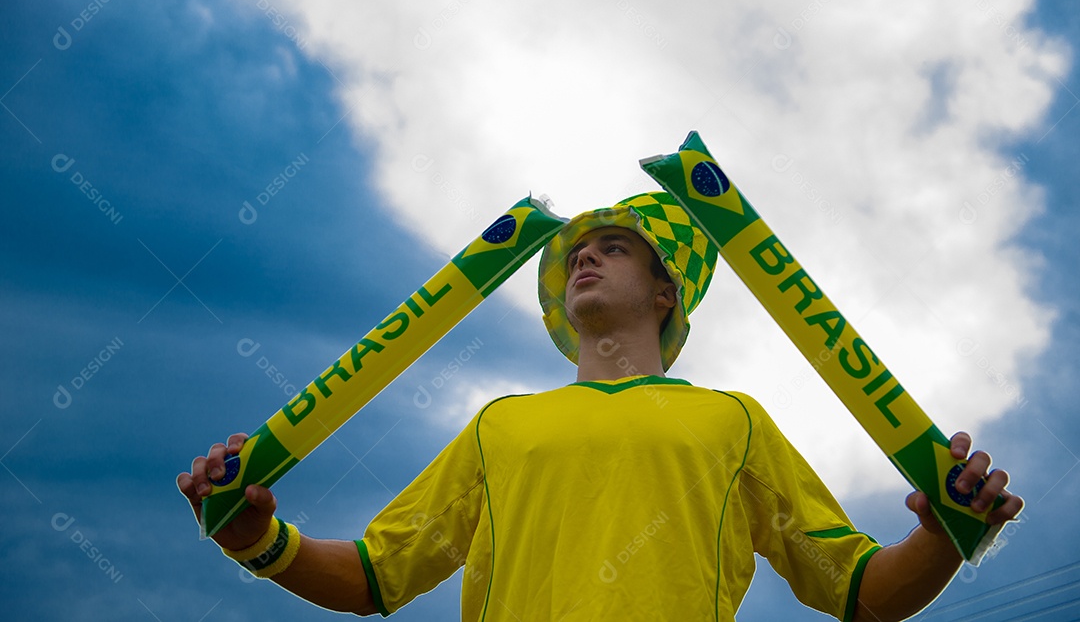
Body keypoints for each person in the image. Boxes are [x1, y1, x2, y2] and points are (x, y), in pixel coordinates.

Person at [178, 192, 1023, 621]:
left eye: (610, 248)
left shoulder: (734, 422)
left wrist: (944, 531)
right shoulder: (499, 424)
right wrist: (259, 541)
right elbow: (374, 576)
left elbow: (860, 593)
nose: (583, 260)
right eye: (576, 252)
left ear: (666, 288)